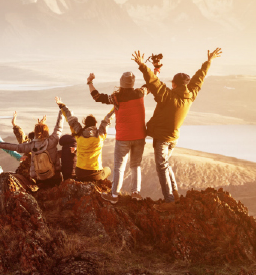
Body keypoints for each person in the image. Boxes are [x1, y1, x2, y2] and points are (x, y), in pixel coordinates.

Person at [133, 48, 223, 208]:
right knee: (165, 164)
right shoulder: (191, 94)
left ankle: (169, 201)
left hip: (163, 139)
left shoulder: (168, 96)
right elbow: (199, 78)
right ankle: (174, 194)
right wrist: (209, 62)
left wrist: (141, 64)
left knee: (161, 167)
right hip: (174, 138)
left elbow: (153, 82)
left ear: (174, 84)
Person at [88, 71, 148, 204]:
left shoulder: (116, 97)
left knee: (119, 167)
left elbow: (97, 97)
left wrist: (90, 82)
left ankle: (114, 195)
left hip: (123, 138)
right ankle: (135, 193)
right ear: (132, 83)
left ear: (121, 83)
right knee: (136, 164)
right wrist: (155, 70)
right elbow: (150, 84)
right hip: (139, 136)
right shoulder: (140, 93)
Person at [0, 105, 64, 188]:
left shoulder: (31, 145)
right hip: (55, 177)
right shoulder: (51, 142)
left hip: (40, 179)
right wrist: (61, 109)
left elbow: (17, 147)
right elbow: (59, 128)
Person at [57, 97, 112, 182]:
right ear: (95, 124)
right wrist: (116, 107)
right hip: (95, 173)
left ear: (85, 123)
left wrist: (61, 105)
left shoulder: (79, 134)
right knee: (108, 169)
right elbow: (107, 119)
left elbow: (70, 117)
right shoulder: (100, 135)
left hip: (80, 173)